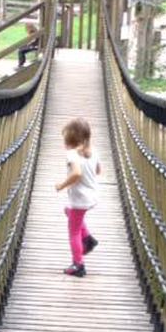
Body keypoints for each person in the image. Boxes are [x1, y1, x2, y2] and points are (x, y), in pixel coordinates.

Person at [54, 117, 101, 277]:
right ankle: (88, 238)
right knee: (69, 211)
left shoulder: (72, 154)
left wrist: (62, 185)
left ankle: (78, 265)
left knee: (73, 231)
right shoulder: (93, 151)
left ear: (70, 140)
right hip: (92, 196)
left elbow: (76, 173)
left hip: (80, 199)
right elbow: (98, 171)